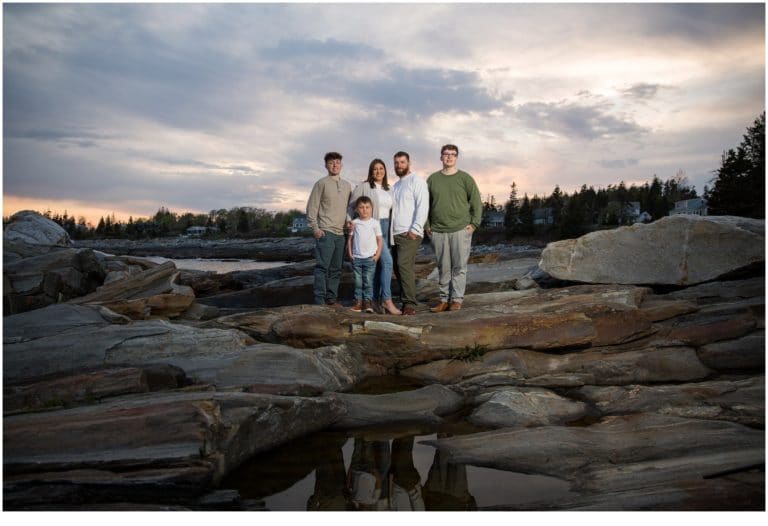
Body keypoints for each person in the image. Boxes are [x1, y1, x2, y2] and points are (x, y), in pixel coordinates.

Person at [425, 144, 482, 312]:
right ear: (441, 157)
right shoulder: (433, 179)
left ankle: (456, 299)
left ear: (456, 157)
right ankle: (443, 300)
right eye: (446, 154)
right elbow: (425, 205)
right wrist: (427, 226)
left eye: (453, 154)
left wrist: (474, 225)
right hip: (438, 231)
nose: (449, 157)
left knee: (459, 267)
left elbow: (476, 203)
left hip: (460, 229)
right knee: (443, 266)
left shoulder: (465, 178)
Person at [347, 159, 402, 315]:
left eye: (381, 168)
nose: (378, 171)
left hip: (387, 228)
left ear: (385, 171)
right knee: (388, 261)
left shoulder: (389, 189)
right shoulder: (364, 186)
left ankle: (375, 302)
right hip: (372, 228)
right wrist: (350, 222)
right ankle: (387, 300)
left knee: (378, 266)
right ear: (371, 172)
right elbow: (351, 206)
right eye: (375, 169)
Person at [306, 151, 352, 306]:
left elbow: (347, 209)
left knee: (336, 269)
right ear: (326, 165)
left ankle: (332, 300)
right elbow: (312, 207)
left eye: (337, 162)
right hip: (326, 232)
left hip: (341, 234)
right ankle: (319, 301)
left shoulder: (346, 185)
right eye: (331, 162)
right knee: (322, 268)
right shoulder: (321, 183)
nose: (335, 165)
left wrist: (348, 222)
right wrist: (315, 229)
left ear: (341, 165)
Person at [390, 151, 429, 316]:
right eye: (397, 163)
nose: (399, 165)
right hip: (395, 234)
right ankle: (406, 297)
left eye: (402, 162)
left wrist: (416, 228)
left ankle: (410, 304)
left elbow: (423, 206)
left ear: (409, 163)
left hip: (410, 233)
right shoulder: (395, 186)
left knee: (403, 265)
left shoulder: (417, 181)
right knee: (398, 267)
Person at [347, 196, 383, 313]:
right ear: (357, 209)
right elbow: (350, 239)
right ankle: (358, 302)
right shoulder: (355, 223)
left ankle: (368, 302)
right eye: (361, 207)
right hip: (357, 258)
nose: (364, 210)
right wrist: (350, 253)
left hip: (370, 258)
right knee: (358, 281)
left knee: (368, 281)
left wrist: (377, 255)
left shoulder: (375, 223)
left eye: (367, 207)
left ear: (372, 208)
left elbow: (379, 240)